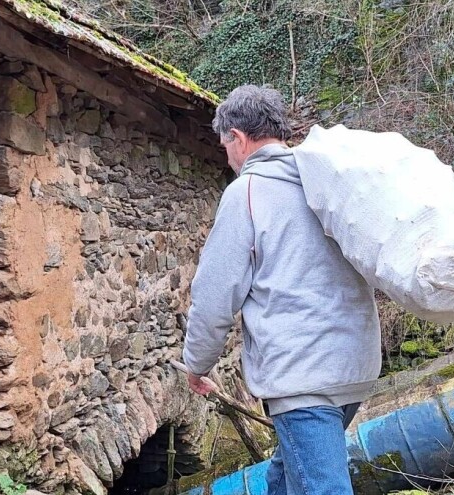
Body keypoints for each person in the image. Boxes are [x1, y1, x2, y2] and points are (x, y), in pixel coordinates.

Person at [181, 84, 382, 495]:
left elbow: (216, 295)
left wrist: (196, 364)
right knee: (288, 476)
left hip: (302, 375)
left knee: (320, 487)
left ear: (236, 137)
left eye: (225, 147)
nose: (229, 158)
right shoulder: (323, 181)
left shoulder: (247, 193)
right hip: (354, 365)